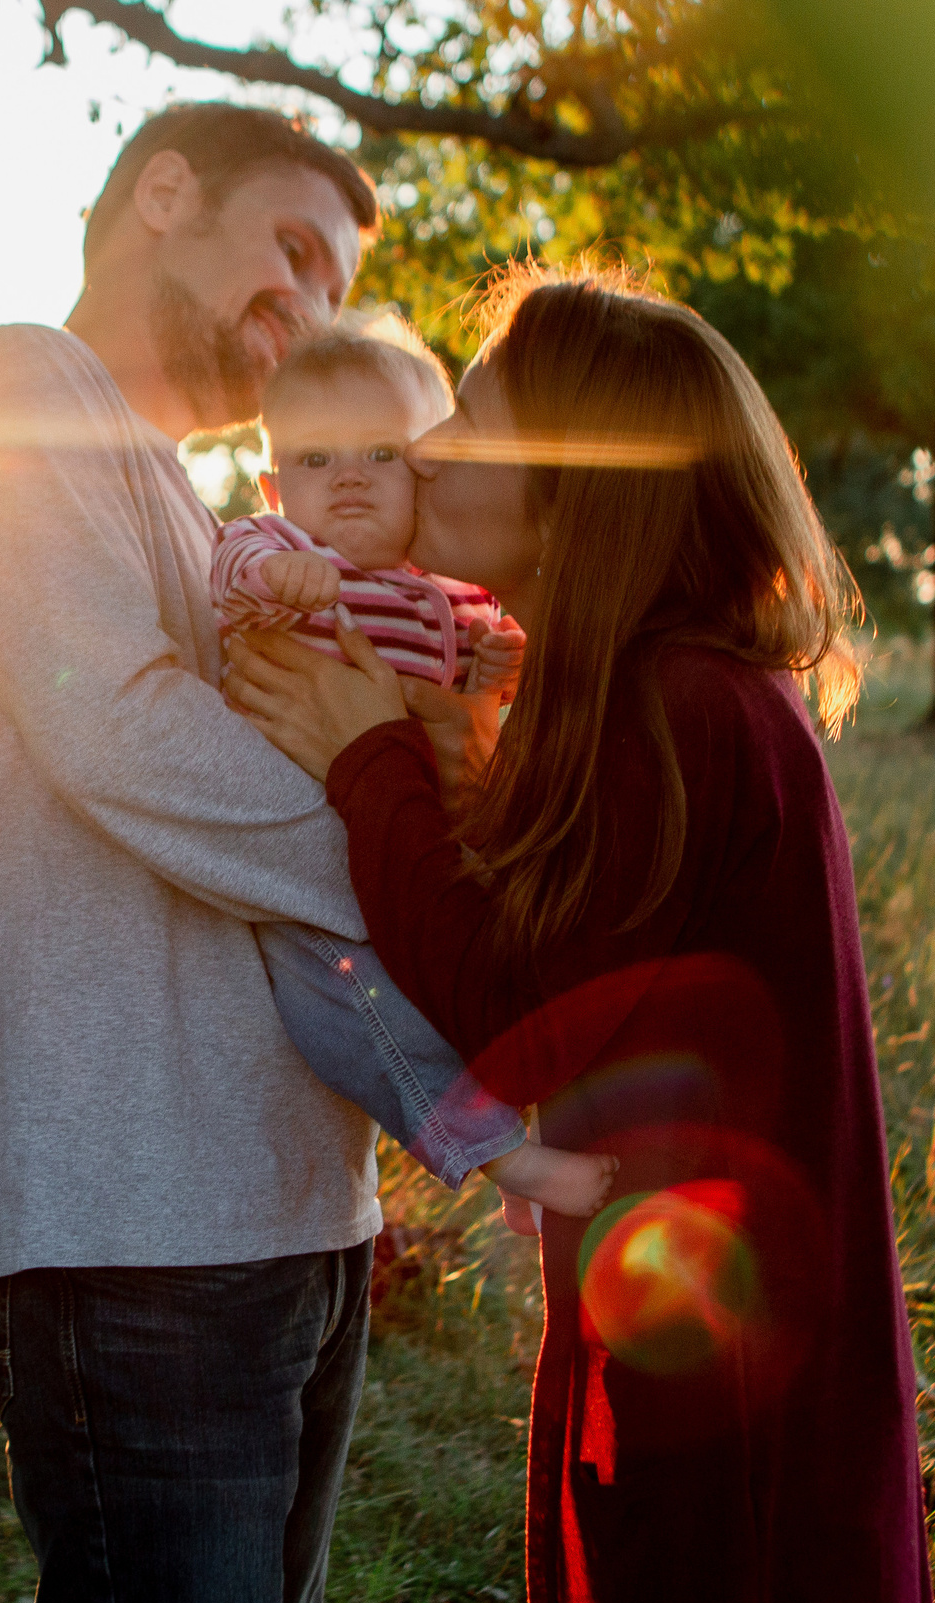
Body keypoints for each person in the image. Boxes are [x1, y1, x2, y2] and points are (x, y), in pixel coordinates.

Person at [224, 265, 935, 1603]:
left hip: (724, 1388)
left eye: (472, 423)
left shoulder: (680, 712)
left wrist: (367, 756)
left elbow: (517, 1015)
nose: (427, 454)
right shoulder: (656, 691)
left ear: (575, 492)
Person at [0, 104, 382, 1603]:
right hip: (132, 1232)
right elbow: (120, 730)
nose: (310, 305)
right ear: (165, 193)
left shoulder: (194, 500)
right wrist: (409, 876)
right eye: (293, 248)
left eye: (338, 282)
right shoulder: (18, 390)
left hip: (290, 1211)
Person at [213, 317, 619, 1216]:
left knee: (482, 964)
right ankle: (501, 1157)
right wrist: (276, 582)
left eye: (381, 453)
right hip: (310, 856)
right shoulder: (287, 553)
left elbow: (486, 675)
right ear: (275, 487)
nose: (348, 477)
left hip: (423, 838)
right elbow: (231, 566)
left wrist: (500, 664)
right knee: (353, 1001)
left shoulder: (456, 589)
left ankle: (524, 1123)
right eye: (314, 459)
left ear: (425, 471)